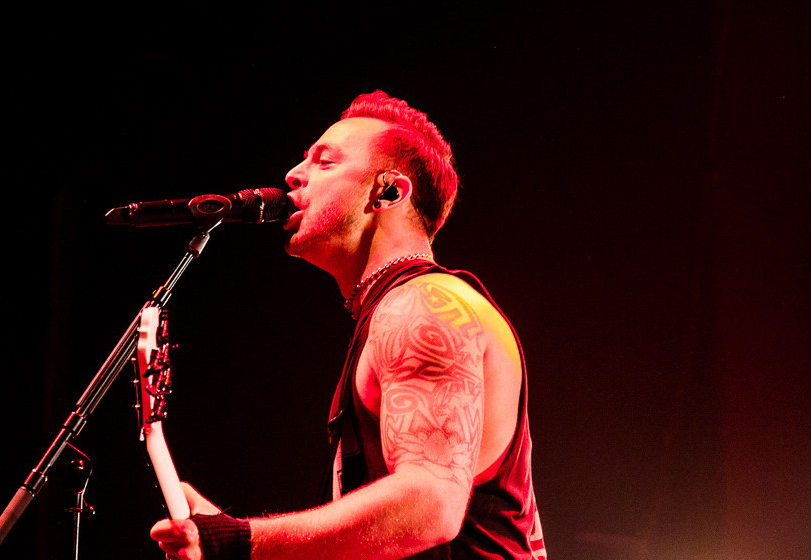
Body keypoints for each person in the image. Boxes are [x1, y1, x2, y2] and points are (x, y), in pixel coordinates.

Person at [150, 91, 547, 559]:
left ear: (389, 192)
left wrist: (237, 541)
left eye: (325, 161)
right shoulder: (389, 311)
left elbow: (431, 504)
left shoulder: (424, 305)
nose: (293, 174)